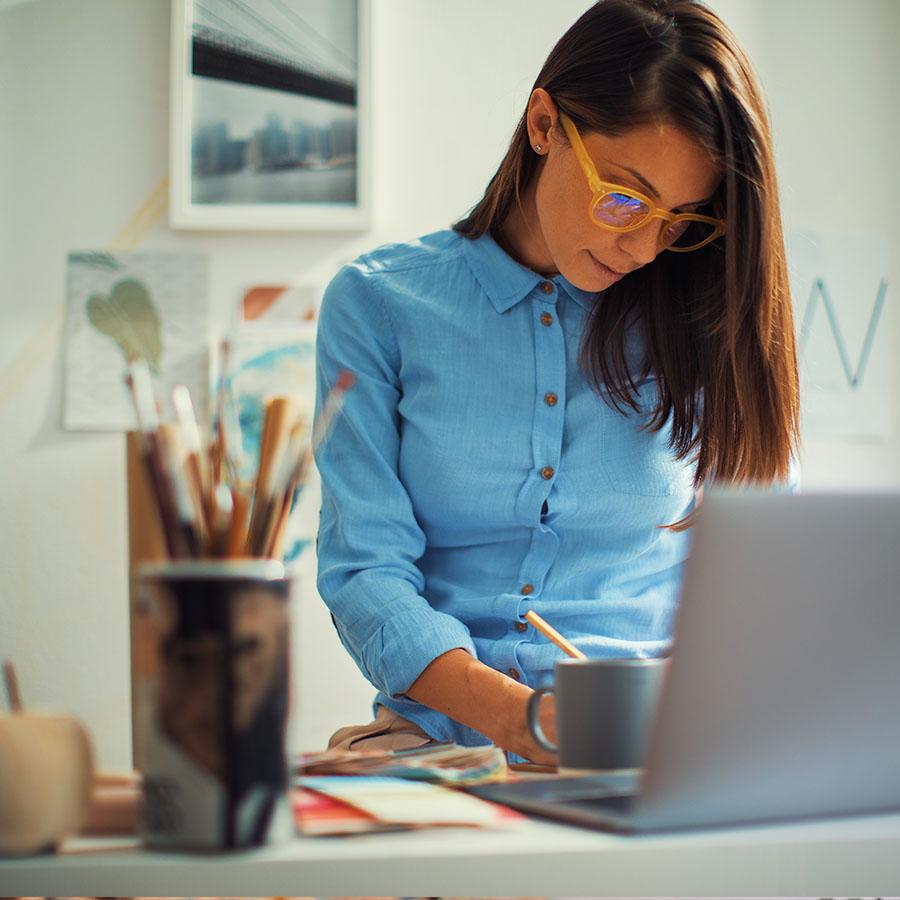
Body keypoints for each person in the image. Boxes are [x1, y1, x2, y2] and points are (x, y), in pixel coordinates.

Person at [313, 0, 799, 765]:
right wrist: (523, 723)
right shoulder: (377, 304)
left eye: (679, 222)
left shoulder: (705, 319)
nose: (643, 247)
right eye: (625, 199)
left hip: (656, 748)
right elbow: (365, 570)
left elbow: (768, 584)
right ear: (544, 124)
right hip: (435, 744)